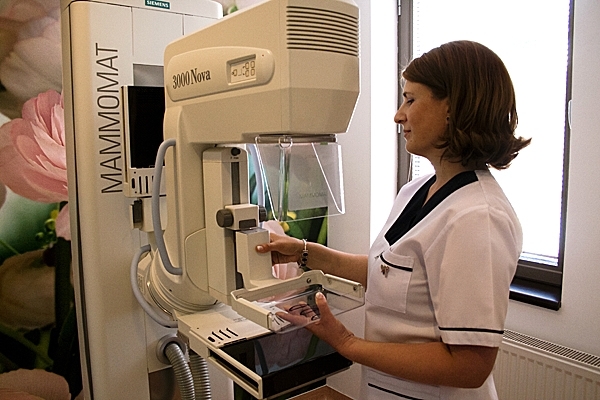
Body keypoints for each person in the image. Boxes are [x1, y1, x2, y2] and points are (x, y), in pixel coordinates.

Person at [256, 40, 530, 399]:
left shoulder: (478, 217)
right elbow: (388, 273)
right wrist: (305, 252)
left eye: (410, 100)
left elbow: (470, 366)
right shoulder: (417, 190)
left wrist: (346, 342)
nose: (399, 115)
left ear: (453, 108)